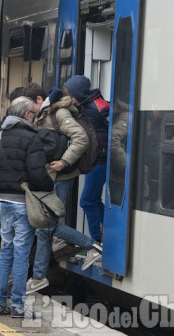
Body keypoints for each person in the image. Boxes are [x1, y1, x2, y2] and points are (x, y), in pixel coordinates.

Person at [0, 97, 52, 319]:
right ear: (26, 115)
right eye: (33, 113)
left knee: (6, 252)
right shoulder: (31, 137)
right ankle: (19, 305)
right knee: (22, 255)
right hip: (23, 203)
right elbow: (38, 173)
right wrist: (48, 187)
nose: (34, 116)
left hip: (4, 202)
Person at [28, 85, 91, 294]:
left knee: (46, 227)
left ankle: (91, 246)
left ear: (39, 99)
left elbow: (81, 137)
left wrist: (64, 161)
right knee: (45, 229)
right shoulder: (45, 113)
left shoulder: (59, 113)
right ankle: (38, 277)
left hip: (60, 177)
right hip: (51, 177)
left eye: (30, 106)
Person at [63, 75, 110, 243]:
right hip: (96, 161)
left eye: (72, 95)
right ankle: (107, 237)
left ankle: (96, 241)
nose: (71, 100)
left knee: (87, 200)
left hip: (101, 161)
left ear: (79, 93)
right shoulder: (89, 106)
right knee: (94, 200)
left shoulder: (100, 108)